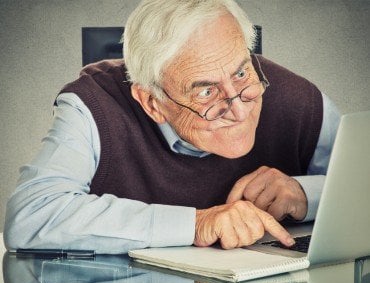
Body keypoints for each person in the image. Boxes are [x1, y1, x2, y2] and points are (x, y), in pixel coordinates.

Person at [4, 0, 340, 254]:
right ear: (152, 102)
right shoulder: (93, 105)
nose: (238, 109)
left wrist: (307, 194)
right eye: (206, 91)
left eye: (240, 73)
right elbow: (32, 215)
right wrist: (195, 223)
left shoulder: (298, 98)